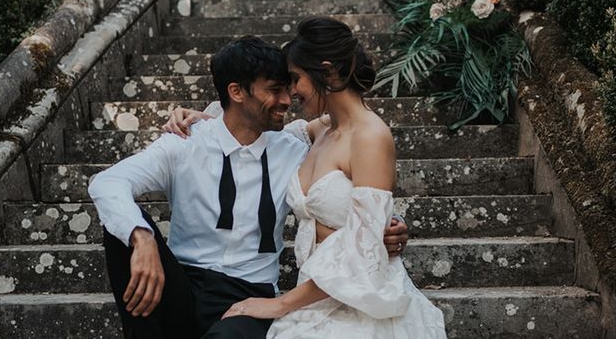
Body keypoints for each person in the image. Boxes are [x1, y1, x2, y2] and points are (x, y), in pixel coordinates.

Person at [88, 35, 408, 339]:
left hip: (249, 295)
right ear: (237, 92)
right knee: (122, 231)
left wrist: (385, 227)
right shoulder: (184, 144)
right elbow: (107, 182)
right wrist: (141, 237)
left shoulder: (296, 148)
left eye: (288, 88)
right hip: (182, 284)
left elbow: (347, 144)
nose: (286, 100)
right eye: (274, 90)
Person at [173, 18, 447, 338]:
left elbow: (364, 249)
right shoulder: (319, 130)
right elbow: (252, 132)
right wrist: (205, 118)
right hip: (315, 295)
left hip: (360, 299)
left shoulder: (370, 136)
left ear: (327, 72)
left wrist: (279, 304)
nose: (291, 92)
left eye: (295, 79)